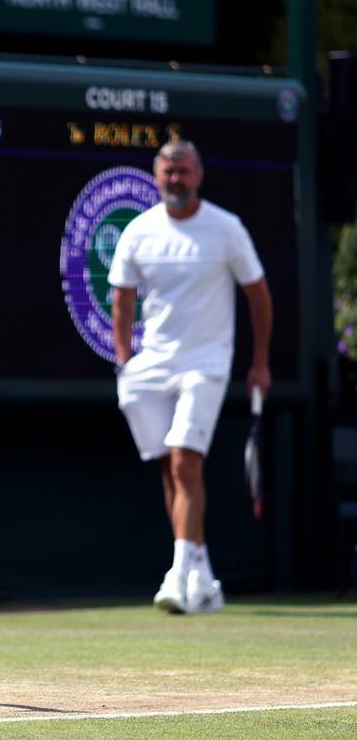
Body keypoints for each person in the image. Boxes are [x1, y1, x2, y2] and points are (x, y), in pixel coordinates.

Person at [109, 139, 273, 615]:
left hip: (206, 362)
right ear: (156, 177)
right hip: (150, 367)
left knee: (184, 464)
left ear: (198, 175)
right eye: (167, 172)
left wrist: (259, 362)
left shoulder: (226, 229)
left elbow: (258, 295)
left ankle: (177, 576)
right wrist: (125, 361)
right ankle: (203, 577)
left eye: (183, 171)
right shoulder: (138, 231)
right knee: (171, 472)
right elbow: (122, 297)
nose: (175, 180)